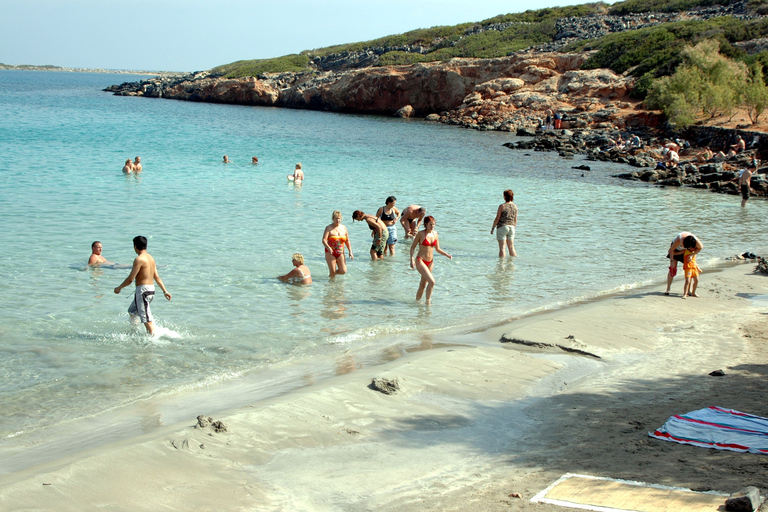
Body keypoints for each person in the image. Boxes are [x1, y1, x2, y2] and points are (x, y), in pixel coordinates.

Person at [114, 236, 171, 335]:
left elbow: (130, 279)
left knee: (146, 320)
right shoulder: (151, 258)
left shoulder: (139, 259)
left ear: (135, 246)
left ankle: (153, 340)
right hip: (150, 290)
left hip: (143, 292)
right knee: (132, 312)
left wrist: (119, 288)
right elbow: (157, 277)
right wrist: (165, 291)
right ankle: (135, 332)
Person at [410, 216, 452, 304]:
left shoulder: (435, 234)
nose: (432, 226)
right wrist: (411, 259)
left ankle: (417, 302)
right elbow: (413, 247)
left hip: (430, 262)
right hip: (420, 260)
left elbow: (438, 249)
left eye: (433, 224)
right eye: (430, 224)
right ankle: (428, 302)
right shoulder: (421, 234)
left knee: (423, 284)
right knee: (432, 281)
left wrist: (446, 254)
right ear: (426, 224)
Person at [322, 210, 353, 278]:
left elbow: (347, 240)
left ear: (341, 219)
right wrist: (328, 247)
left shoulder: (343, 228)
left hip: (340, 252)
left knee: (343, 271)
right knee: (332, 271)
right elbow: (324, 240)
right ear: (333, 219)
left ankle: (331, 276)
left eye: (339, 218)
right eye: (336, 218)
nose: (338, 220)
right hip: (330, 252)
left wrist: (350, 251)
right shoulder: (329, 228)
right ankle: (332, 286)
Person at [490, 189, 518, 257]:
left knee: (502, 248)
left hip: (503, 227)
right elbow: (515, 219)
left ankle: (501, 264)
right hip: (512, 227)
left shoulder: (502, 206)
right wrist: (514, 228)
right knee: (511, 247)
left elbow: (497, 218)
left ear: (505, 197)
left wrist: (493, 228)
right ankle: (513, 263)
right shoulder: (515, 206)